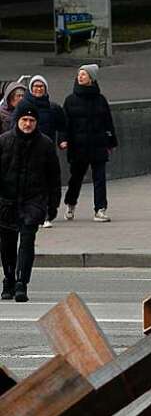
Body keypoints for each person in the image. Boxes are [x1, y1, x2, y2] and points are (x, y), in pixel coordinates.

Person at [0, 101, 61, 302]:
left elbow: (54, 177)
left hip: (32, 201)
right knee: (7, 245)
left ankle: (21, 283)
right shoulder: (4, 141)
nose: (27, 124)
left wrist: (52, 205)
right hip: (6, 201)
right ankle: (8, 280)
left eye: (32, 120)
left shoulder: (45, 144)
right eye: (24, 120)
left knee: (27, 241)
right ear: (17, 121)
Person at [62, 64, 116, 222]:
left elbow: (108, 122)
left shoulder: (100, 100)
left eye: (84, 74)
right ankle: (71, 205)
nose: (80, 77)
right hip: (78, 146)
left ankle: (100, 209)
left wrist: (111, 141)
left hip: (98, 144)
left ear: (91, 78)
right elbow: (65, 123)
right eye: (79, 74)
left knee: (100, 178)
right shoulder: (70, 100)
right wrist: (63, 139)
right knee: (76, 178)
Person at [27, 75, 66, 228]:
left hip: (46, 150)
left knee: (47, 183)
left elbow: (62, 126)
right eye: (35, 86)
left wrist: (62, 140)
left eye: (41, 86)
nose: (38, 89)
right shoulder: (25, 106)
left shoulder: (53, 108)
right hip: (28, 151)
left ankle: (46, 215)